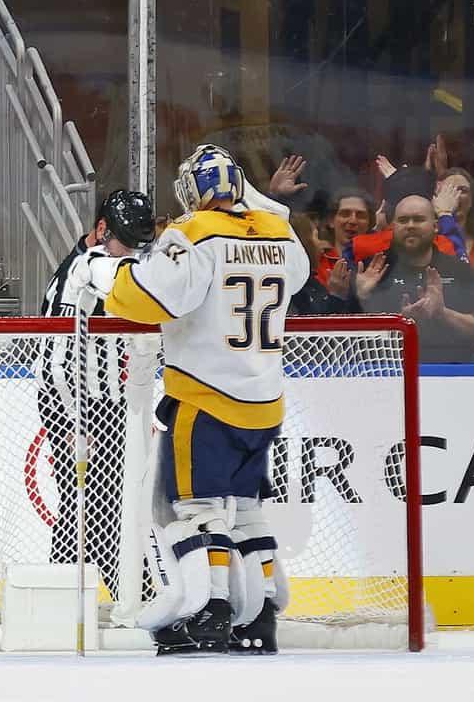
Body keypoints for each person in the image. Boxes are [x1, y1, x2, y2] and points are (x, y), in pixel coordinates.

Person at [86, 144, 309, 655]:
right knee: (248, 510)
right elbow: (296, 274)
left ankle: (208, 612)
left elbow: (151, 298)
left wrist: (107, 275)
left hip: (205, 400)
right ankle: (265, 613)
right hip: (264, 404)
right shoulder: (280, 234)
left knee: (194, 511)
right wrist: (265, 204)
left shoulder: (193, 233)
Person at [35, 188, 154, 603]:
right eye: (126, 242)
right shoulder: (86, 268)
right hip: (71, 399)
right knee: (92, 502)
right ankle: (133, 595)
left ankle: (66, 598)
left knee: (95, 501)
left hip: (105, 399)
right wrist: (73, 419)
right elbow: (57, 354)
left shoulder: (98, 257)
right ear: (102, 230)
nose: (134, 254)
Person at [353, 193, 474, 363]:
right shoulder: (371, 271)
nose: (410, 226)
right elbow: (353, 341)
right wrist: (361, 297)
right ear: (393, 227)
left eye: (418, 219)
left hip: (452, 374)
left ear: (435, 226)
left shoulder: (460, 271)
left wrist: (443, 314)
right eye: (403, 220)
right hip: (389, 372)